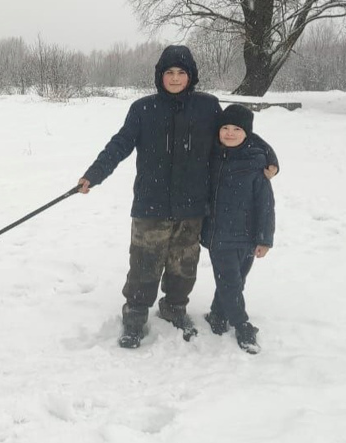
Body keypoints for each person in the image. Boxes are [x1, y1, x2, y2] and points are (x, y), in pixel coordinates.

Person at [77, 45, 278, 349]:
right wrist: (94, 174)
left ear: (191, 76)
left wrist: (270, 157)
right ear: (160, 76)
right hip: (150, 203)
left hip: (192, 205)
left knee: (183, 265)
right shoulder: (143, 109)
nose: (174, 78)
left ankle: (174, 309)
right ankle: (134, 317)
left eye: (180, 72)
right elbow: (120, 145)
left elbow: (239, 130)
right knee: (144, 263)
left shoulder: (207, 107)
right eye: (168, 72)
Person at [201, 104, 275, 354]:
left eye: (236, 129)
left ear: (247, 134)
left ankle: (217, 314)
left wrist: (264, 238)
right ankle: (242, 325)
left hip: (247, 237)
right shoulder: (210, 157)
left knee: (235, 280)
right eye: (224, 128)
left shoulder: (257, 164)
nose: (229, 133)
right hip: (218, 235)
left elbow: (265, 205)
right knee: (230, 282)